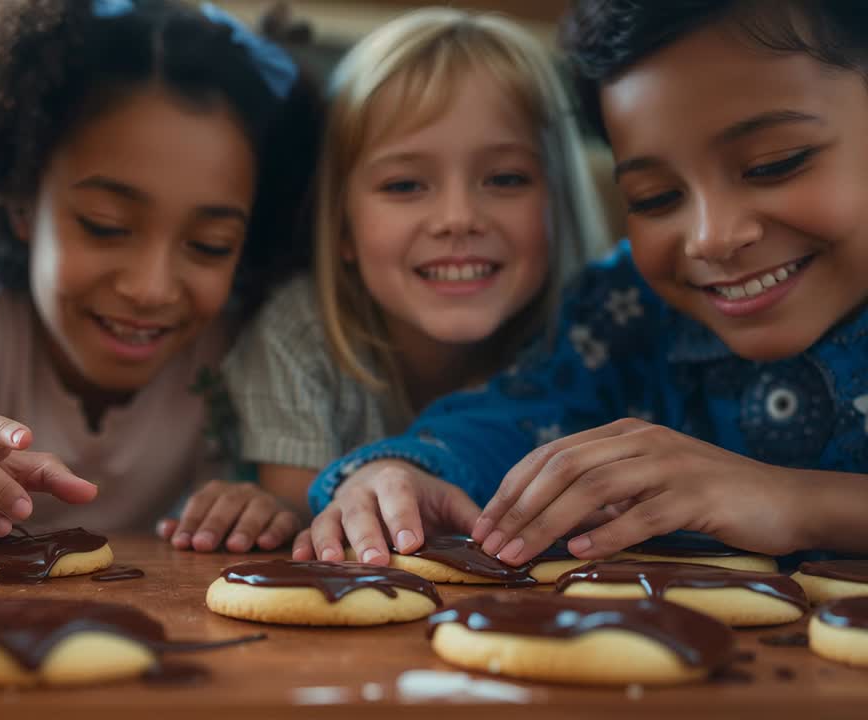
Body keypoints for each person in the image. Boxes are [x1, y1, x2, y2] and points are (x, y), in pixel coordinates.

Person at [298, 0, 868, 567]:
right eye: (655, 198)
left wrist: (799, 502)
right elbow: (514, 418)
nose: (710, 238)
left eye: (775, 164)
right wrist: (400, 472)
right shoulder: (623, 314)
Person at [0, 0, 320, 551]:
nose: (151, 288)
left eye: (211, 246)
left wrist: (266, 509)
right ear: (22, 203)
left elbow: (289, 500)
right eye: (106, 226)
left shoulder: (248, 342)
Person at [202, 7, 606, 554]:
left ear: (557, 204)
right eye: (405, 185)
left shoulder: (600, 343)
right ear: (342, 225)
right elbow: (314, 532)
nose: (459, 218)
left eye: (506, 178)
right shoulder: (298, 338)